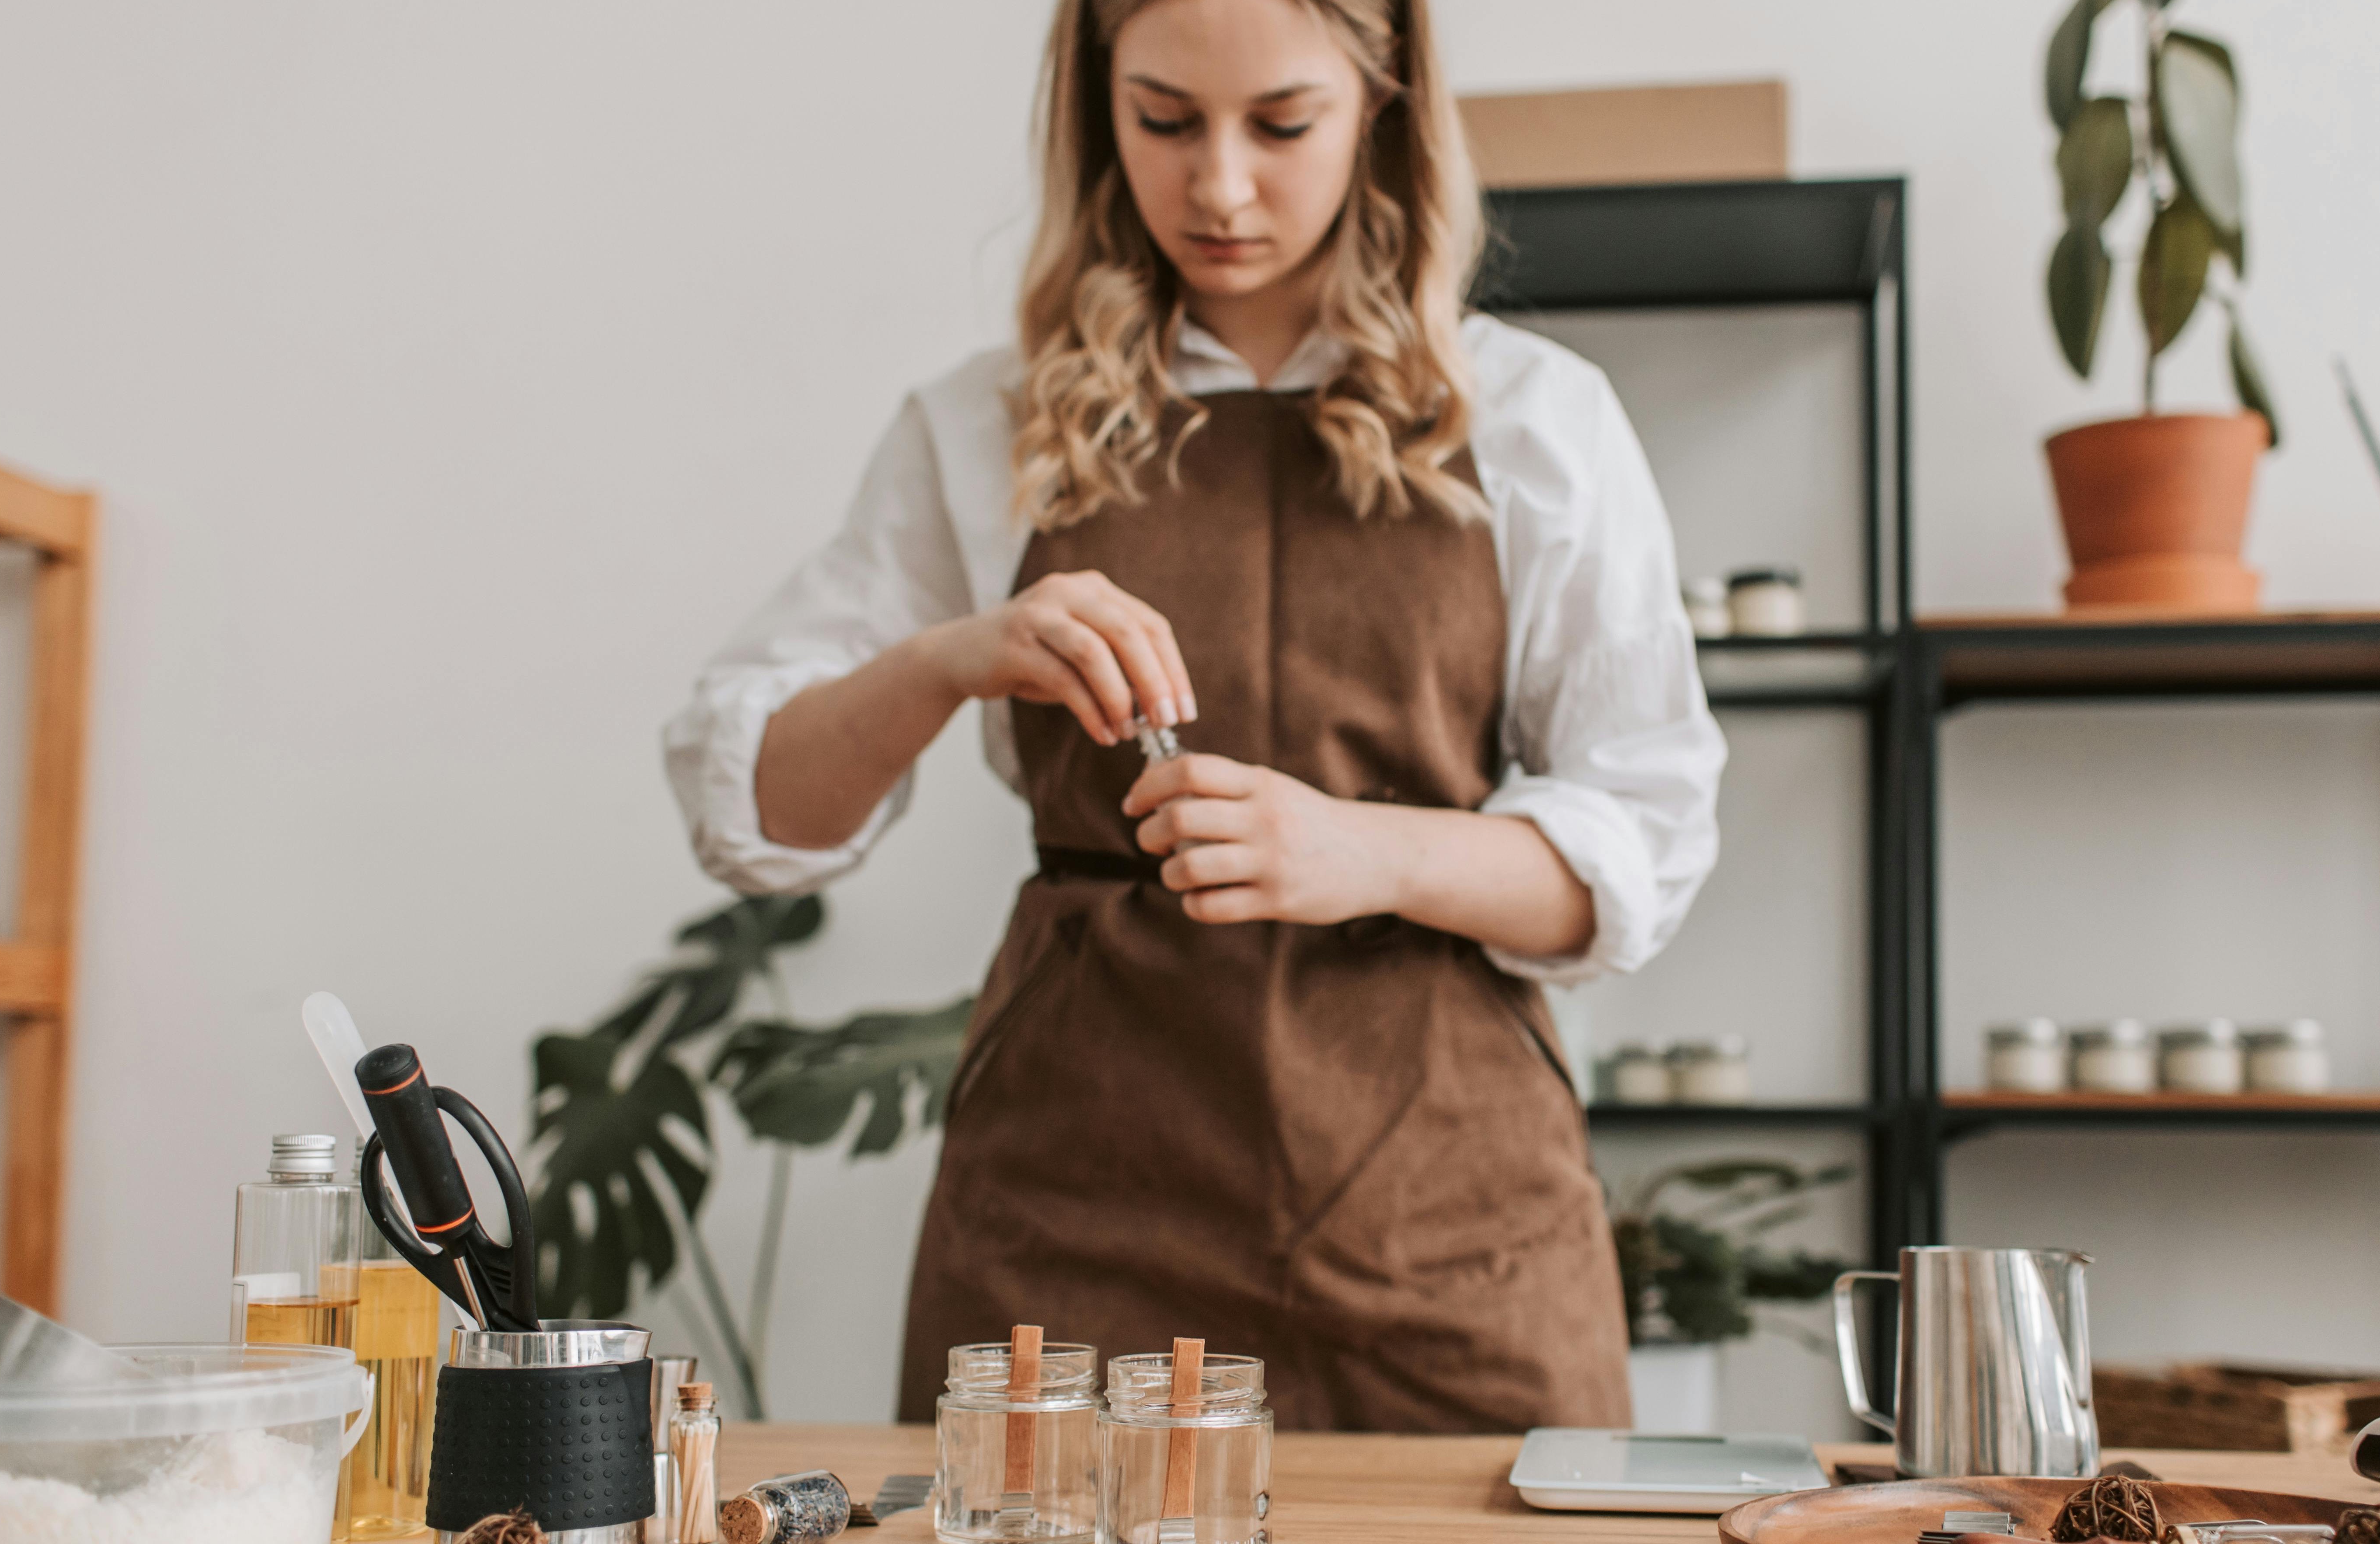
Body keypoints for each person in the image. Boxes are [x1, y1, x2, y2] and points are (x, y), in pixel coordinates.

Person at [665, 0, 1722, 1433]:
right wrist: (951, 659)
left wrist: (1373, 853)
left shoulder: (1539, 421)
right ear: (1096, 107)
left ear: (1384, 107)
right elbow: (762, 813)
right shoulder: (985, 426)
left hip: (1450, 1234)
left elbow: (1645, 841)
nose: (1220, 186)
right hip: (1076, 1224)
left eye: (1282, 124)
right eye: (1164, 119)